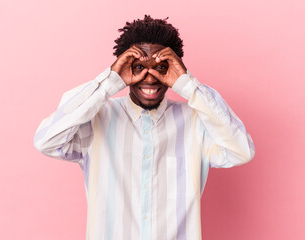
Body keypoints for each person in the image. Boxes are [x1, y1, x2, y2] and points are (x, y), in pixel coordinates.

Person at [34, 15, 255, 240]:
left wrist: (188, 85)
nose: (149, 78)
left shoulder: (196, 121)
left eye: (161, 67)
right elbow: (47, 141)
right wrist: (110, 81)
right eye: (138, 67)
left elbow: (241, 151)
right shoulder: (96, 119)